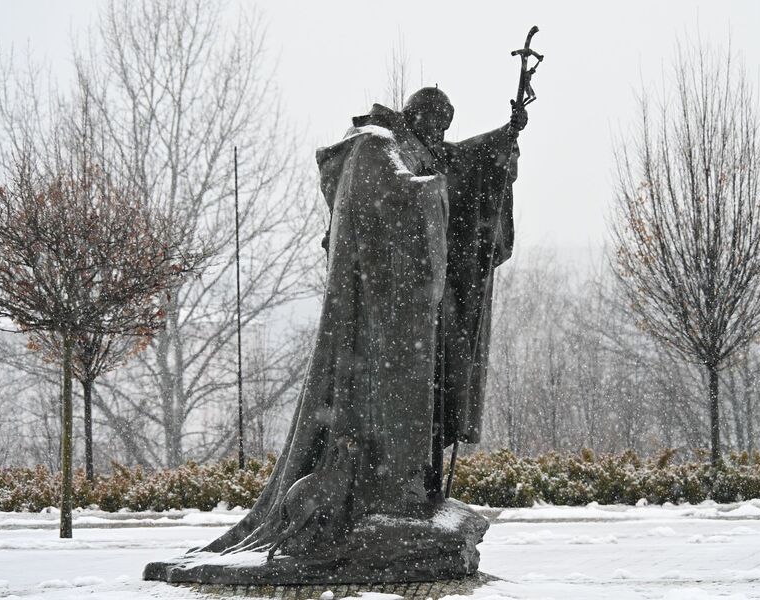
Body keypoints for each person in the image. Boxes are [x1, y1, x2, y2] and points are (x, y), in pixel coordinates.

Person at [197, 87, 526, 556]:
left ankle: (413, 493)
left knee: (427, 395)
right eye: (436, 125)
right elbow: (398, 194)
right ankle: (384, 499)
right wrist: (432, 192)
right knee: (391, 402)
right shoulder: (375, 142)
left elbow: (457, 164)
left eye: (445, 128)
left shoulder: (416, 149)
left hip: (408, 319)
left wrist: (503, 138)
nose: (440, 135)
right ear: (416, 116)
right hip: (376, 318)